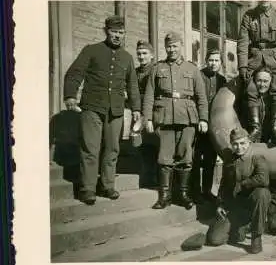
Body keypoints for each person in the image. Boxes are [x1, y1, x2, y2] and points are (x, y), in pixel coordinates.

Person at [63, 15, 141, 205]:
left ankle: (107, 185)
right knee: (90, 148)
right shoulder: (92, 50)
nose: (117, 36)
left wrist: (136, 108)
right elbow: (75, 73)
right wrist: (71, 96)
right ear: (106, 31)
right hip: (92, 107)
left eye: (121, 33)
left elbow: (132, 86)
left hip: (115, 110)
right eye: (114, 32)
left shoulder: (127, 57)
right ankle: (87, 189)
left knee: (113, 149)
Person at [142, 31, 209, 210]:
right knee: (164, 158)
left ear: (181, 46)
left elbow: (201, 97)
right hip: (164, 118)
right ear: (165, 47)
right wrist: (147, 118)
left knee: (186, 158)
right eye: (168, 46)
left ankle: (183, 194)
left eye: (174, 46)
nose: (171, 49)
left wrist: (203, 118)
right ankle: (164, 196)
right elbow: (149, 95)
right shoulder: (157, 68)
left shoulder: (192, 69)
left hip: (187, 118)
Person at [205, 127, 271, 254]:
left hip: (251, 203)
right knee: (215, 239)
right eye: (235, 144)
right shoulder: (229, 158)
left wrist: (242, 184)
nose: (239, 147)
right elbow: (224, 183)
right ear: (231, 144)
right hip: (235, 205)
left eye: (242, 143)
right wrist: (220, 204)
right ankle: (241, 228)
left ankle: (256, 236)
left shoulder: (257, 157)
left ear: (249, 143)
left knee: (262, 193)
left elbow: (263, 179)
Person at [237, 1, 276, 144]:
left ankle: (275, 128)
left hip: (274, 58)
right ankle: (255, 128)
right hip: (254, 58)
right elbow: (243, 42)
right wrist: (242, 66)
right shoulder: (249, 16)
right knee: (251, 89)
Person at [251, 67, 276, 236]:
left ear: (271, 82)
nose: (262, 84)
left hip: (273, 145)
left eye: (265, 81)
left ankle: (275, 220)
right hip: (256, 145)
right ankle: (253, 220)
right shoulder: (249, 99)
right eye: (259, 80)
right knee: (255, 182)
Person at [190, 49, 227, 203]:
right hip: (197, 124)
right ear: (206, 60)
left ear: (221, 63)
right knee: (195, 159)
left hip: (212, 126)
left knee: (210, 160)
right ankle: (195, 192)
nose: (213, 63)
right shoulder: (198, 75)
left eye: (217, 60)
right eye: (211, 60)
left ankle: (207, 191)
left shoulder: (222, 81)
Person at [134, 40, 158, 187]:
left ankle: (155, 177)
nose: (141, 57)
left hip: (153, 112)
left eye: (145, 53)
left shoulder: (156, 70)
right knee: (144, 146)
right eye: (139, 54)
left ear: (152, 55)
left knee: (155, 144)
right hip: (139, 112)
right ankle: (148, 176)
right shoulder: (135, 72)